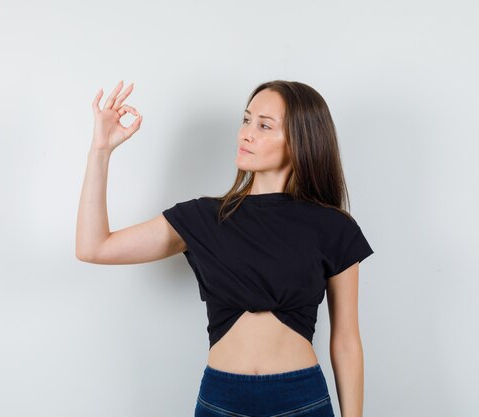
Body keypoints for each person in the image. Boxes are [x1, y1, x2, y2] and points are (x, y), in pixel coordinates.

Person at [76, 79, 374, 417]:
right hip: (222, 401)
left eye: (264, 126)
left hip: (301, 400)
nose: (246, 133)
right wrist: (100, 151)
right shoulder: (202, 217)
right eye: (246, 120)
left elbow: (347, 341)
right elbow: (94, 247)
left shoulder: (333, 227)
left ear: (300, 141)